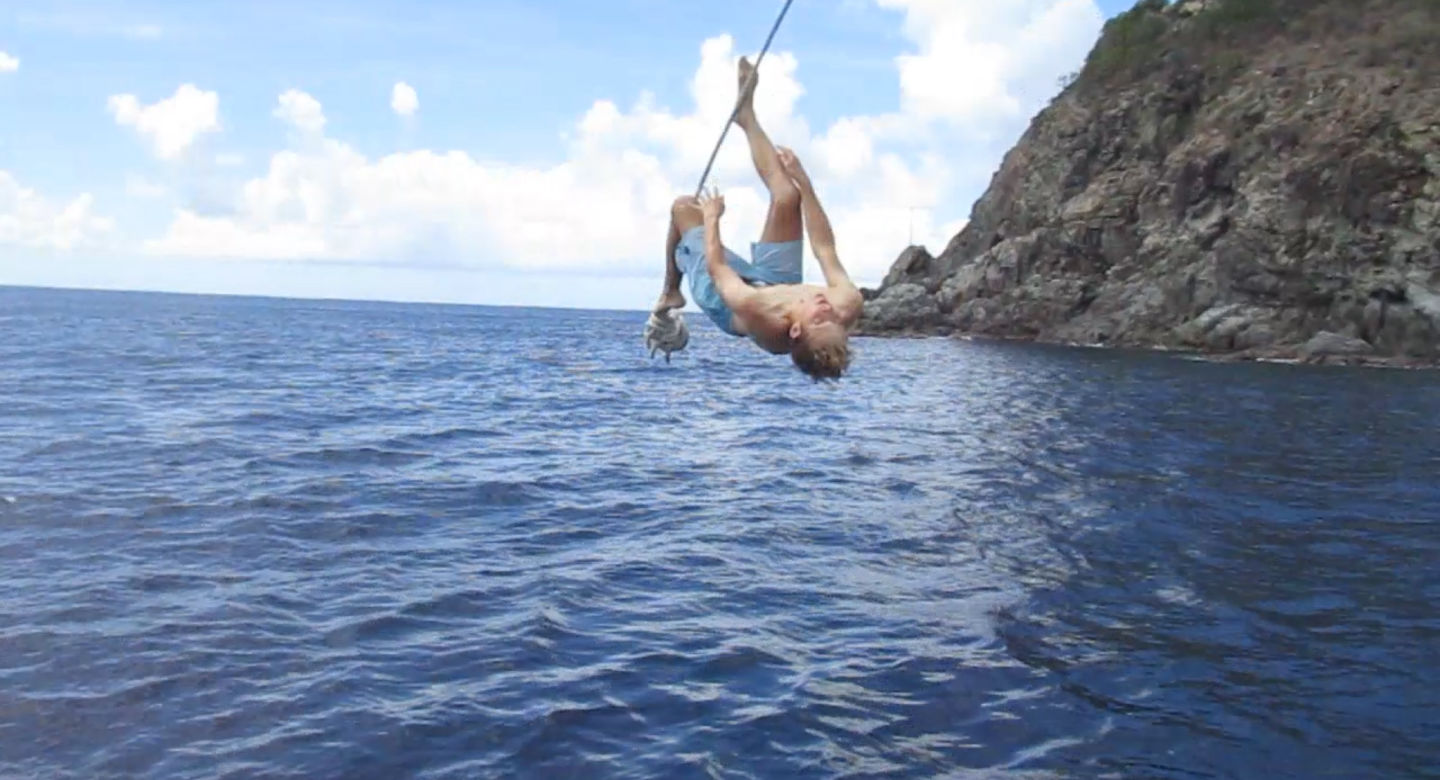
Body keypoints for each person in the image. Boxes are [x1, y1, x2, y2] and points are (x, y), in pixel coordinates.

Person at [652, 57, 863, 381]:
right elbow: (824, 248)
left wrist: (712, 220)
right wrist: (805, 182)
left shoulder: (760, 314)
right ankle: (746, 116)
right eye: (837, 322)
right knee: (788, 196)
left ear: (795, 330)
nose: (827, 308)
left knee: (683, 208)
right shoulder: (845, 303)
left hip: (726, 296)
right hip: (778, 281)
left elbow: (719, 271)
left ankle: (670, 290)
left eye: (820, 319)